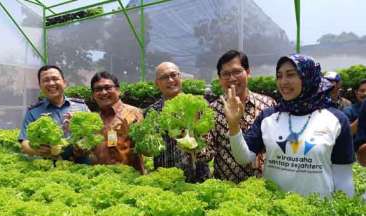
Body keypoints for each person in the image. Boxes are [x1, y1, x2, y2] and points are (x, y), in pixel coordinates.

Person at [224, 54, 354, 197]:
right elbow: (244, 157)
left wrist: (344, 213)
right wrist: (234, 125)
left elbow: (344, 178)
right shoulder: (268, 117)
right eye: (279, 76)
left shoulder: (336, 119)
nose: (283, 82)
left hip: (319, 212)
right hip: (274, 211)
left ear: (308, 77)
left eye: (290, 75)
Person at [201, 50, 275, 183]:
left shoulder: (268, 105)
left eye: (237, 72)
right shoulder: (212, 110)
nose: (232, 78)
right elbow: (206, 154)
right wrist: (191, 141)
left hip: (263, 187)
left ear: (248, 72)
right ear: (219, 79)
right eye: (226, 74)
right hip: (227, 189)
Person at [146, 62, 210, 182]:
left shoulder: (199, 106)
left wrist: (195, 146)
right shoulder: (152, 112)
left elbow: (210, 149)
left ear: (180, 77)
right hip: (164, 181)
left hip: (198, 180)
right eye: (164, 77)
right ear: (156, 84)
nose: (170, 80)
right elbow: (150, 150)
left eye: (174, 75)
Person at [19, 65, 89, 161]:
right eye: (46, 80)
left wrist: (83, 144)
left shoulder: (81, 107)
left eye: (55, 79)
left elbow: (94, 134)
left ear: (64, 83)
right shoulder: (33, 112)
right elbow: (24, 143)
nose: (51, 83)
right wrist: (36, 150)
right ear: (40, 86)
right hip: (49, 167)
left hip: (81, 165)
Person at [90, 71, 145, 174]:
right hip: (99, 179)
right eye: (98, 89)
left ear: (118, 90)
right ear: (93, 95)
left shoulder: (133, 114)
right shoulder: (93, 121)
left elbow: (145, 150)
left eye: (108, 88)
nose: (103, 92)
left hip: (129, 179)